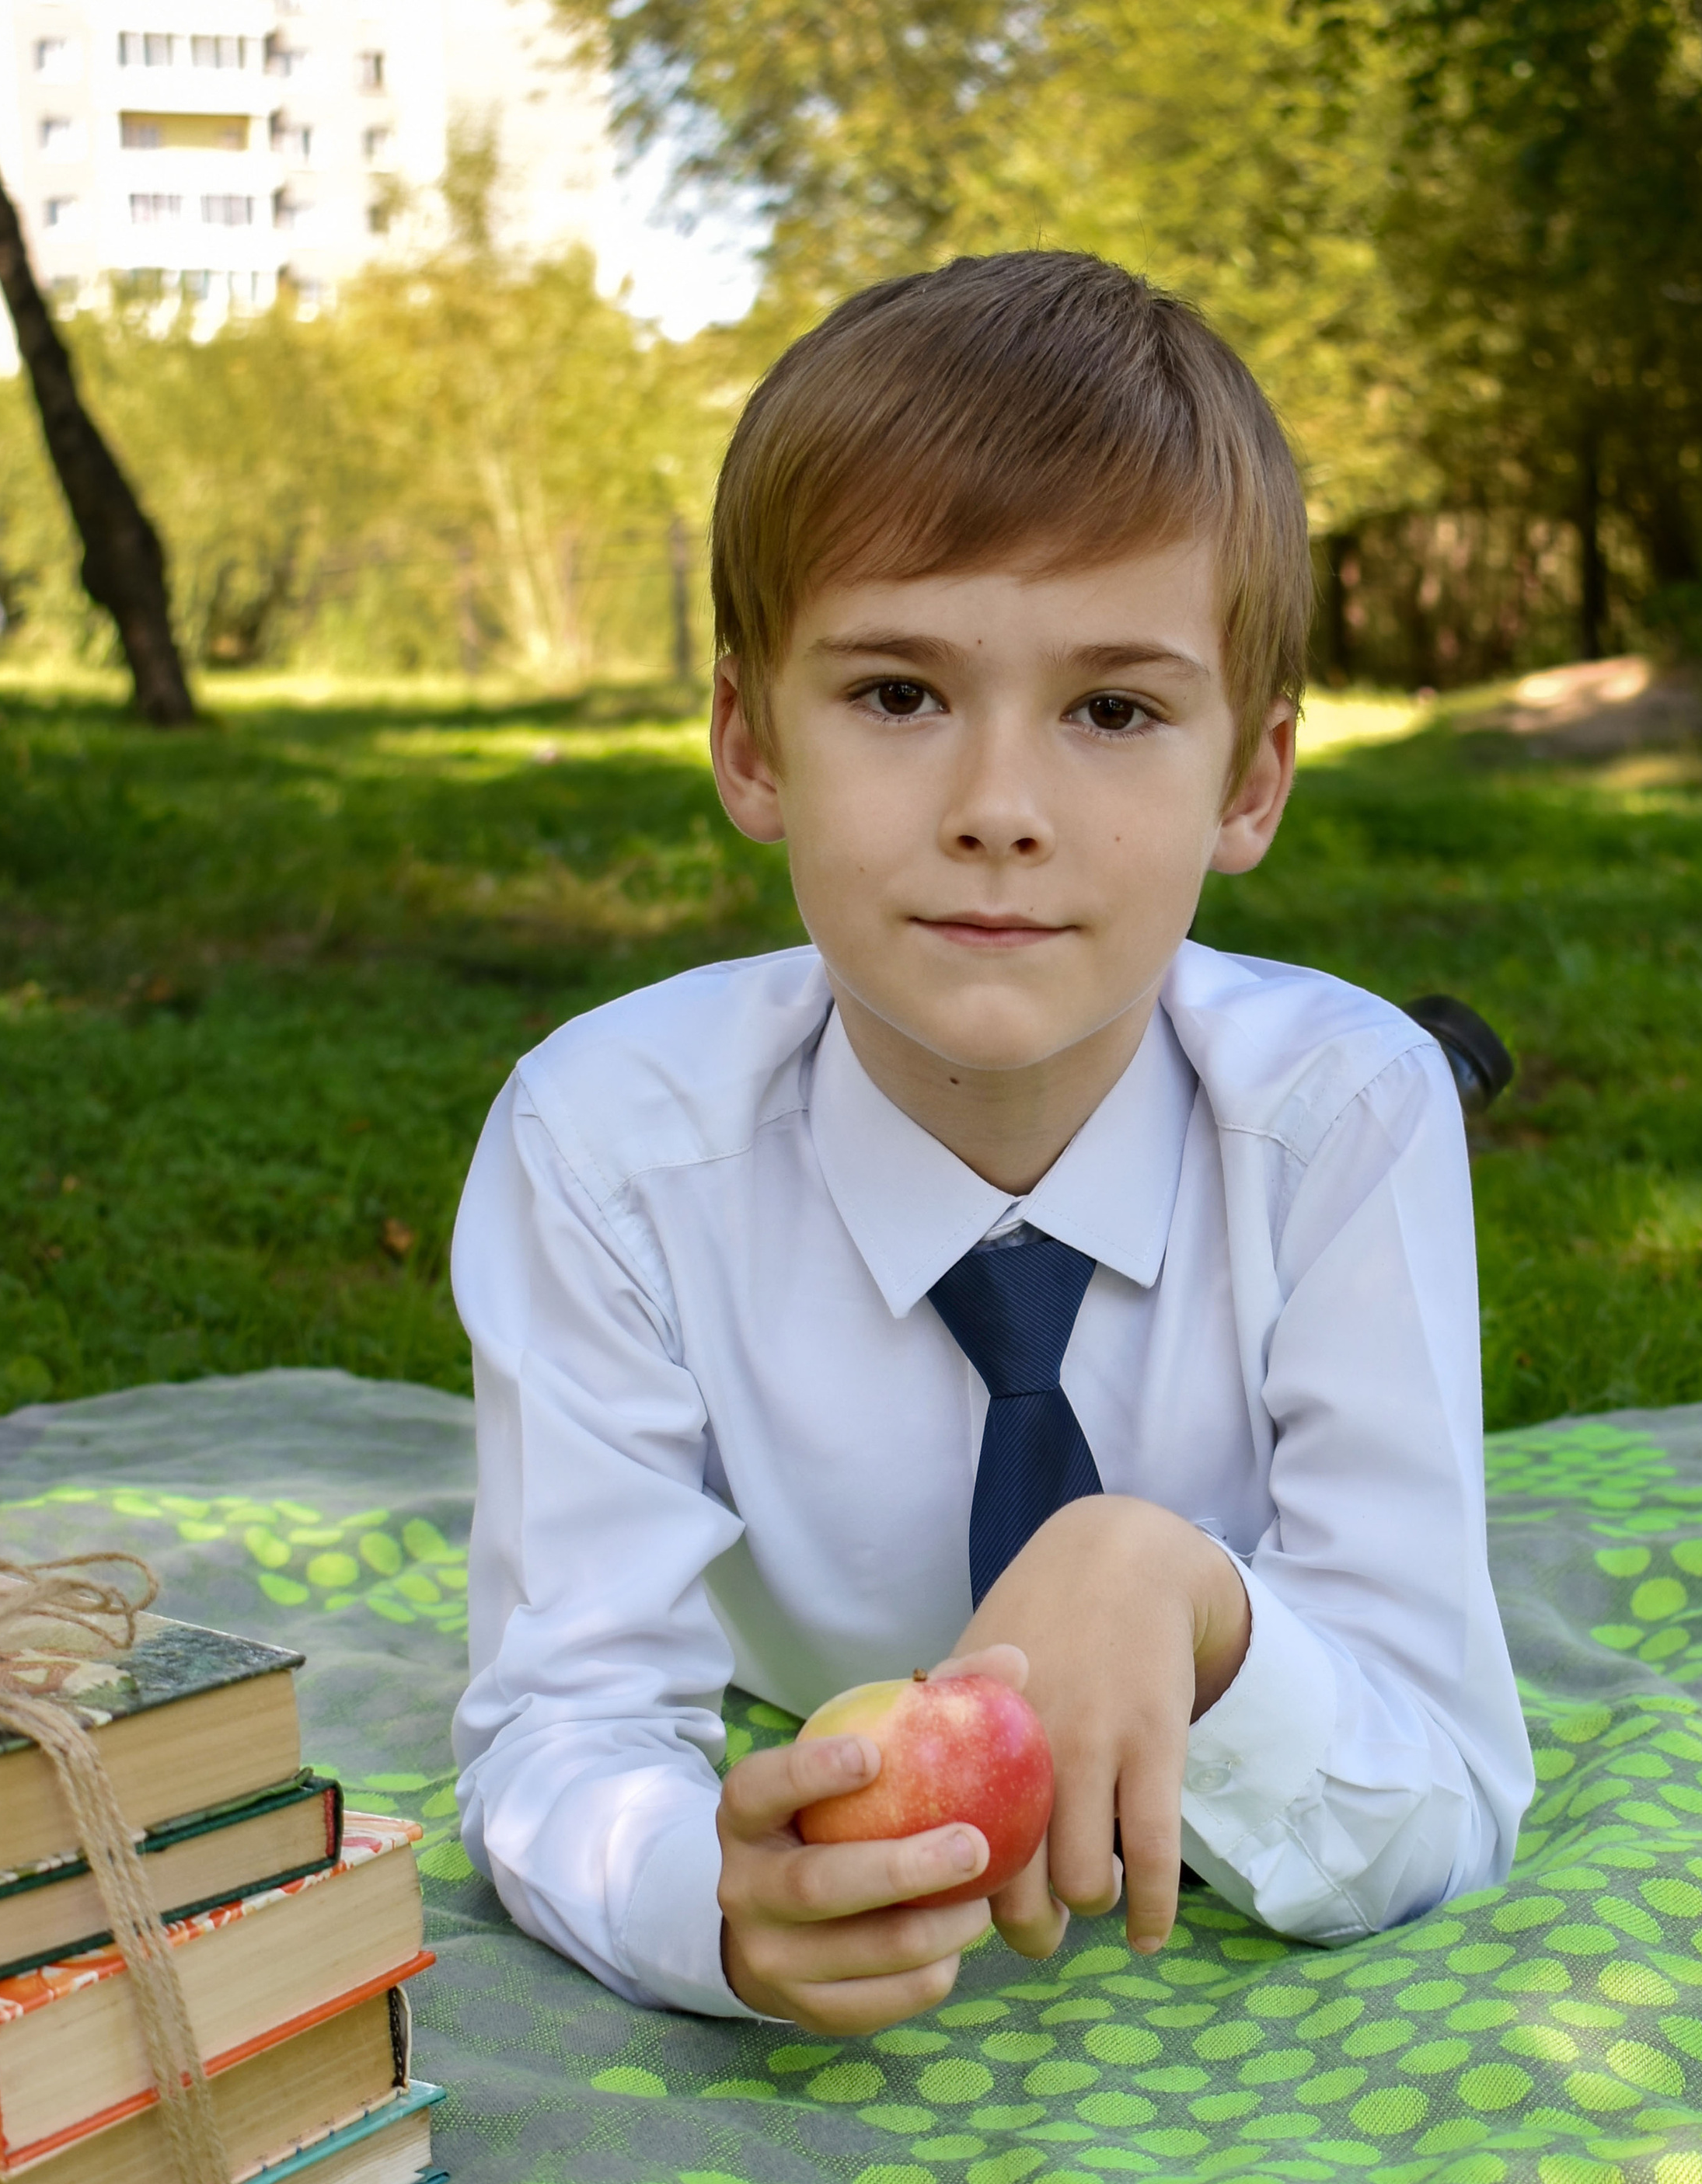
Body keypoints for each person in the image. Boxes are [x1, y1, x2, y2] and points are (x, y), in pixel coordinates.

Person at [451, 250, 1532, 2034]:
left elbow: (1440, 1785)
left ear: (1248, 781)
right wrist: (699, 1899)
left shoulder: (1346, 1112)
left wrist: (1193, 1600)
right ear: (747, 737)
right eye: (894, 694)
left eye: (1112, 710)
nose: (997, 813)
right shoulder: (601, 1143)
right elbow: (560, 1726)